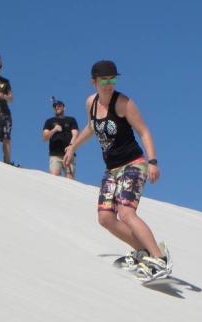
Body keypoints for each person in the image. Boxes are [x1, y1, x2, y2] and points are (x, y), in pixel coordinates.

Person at [63, 60, 171, 280]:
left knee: (126, 212)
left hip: (133, 164)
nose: (109, 84)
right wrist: (72, 146)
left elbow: (144, 132)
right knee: (105, 218)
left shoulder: (124, 103)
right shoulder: (90, 103)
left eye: (113, 79)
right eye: (105, 80)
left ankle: (159, 259)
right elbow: (92, 128)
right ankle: (143, 251)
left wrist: (153, 161)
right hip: (111, 169)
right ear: (94, 82)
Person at [41, 99, 79, 179]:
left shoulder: (71, 120)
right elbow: (44, 137)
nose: (57, 108)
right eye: (55, 107)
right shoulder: (49, 121)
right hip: (55, 154)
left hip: (69, 153)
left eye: (59, 106)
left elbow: (75, 134)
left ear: (64, 108)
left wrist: (71, 147)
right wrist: (54, 130)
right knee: (54, 177)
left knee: (70, 178)